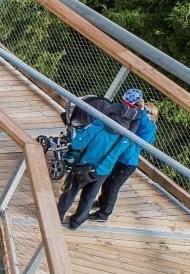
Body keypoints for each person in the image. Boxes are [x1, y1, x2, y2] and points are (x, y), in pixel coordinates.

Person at [60, 100, 136, 230]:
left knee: (70, 192)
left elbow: (77, 144)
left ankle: (57, 215)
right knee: (89, 197)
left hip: (83, 166)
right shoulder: (127, 137)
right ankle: (76, 221)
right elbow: (128, 155)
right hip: (103, 171)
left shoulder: (97, 127)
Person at [89, 89, 155, 223]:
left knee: (113, 187)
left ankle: (104, 214)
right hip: (118, 157)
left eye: (147, 111)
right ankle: (102, 202)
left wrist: (142, 111)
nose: (142, 111)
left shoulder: (149, 127)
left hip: (127, 162)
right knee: (107, 182)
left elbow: (145, 134)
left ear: (153, 115)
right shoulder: (136, 117)